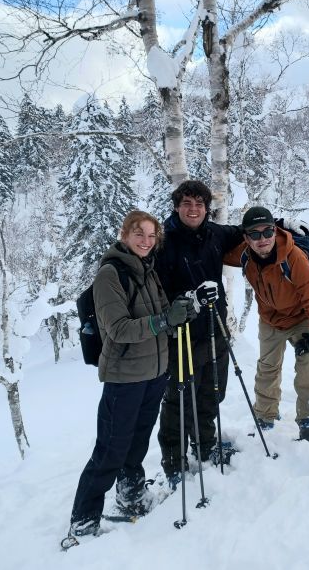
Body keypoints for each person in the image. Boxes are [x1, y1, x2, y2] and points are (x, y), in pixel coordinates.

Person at [68, 211, 196, 539]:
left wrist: (182, 308)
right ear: (125, 234)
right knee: (110, 449)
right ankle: (83, 520)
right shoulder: (110, 274)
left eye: (152, 236)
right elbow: (118, 328)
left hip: (154, 373)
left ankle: (131, 495)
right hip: (124, 376)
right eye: (139, 234)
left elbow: (164, 314)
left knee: (138, 442)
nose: (146, 241)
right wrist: (165, 320)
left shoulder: (148, 270)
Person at [155, 180, 243, 484]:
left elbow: (246, 230)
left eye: (199, 204)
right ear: (177, 207)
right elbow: (155, 292)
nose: (193, 210)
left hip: (215, 331)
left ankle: (205, 447)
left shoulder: (215, 233)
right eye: (187, 204)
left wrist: (280, 225)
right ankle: (174, 463)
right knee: (179, 402)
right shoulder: (163, 243)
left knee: (210, 396)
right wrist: (188, 300)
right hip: (181, 337)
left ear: (207, 208)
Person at [224, 206, 309, 443]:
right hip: (271, 320)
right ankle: (265, 416)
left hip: (301, 317)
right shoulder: (243, 254)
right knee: (267, 368)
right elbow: (215, 250)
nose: (262, 239)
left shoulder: (293, 257)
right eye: (255, 234)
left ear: (275, 231)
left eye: (268, 232)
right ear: (246, 237)